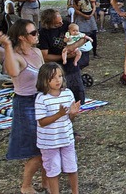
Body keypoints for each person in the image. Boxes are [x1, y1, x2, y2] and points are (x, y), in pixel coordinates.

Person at [0, 20, 48, 194]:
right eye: (33, 33)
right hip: (25, 104)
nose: (37, 34)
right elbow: (12, 72)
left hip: (42, 100)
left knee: (47, 145)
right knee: (37, 148)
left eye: (36, 31)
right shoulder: (16, 57)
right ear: (22, 37)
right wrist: (7, 47)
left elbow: (44, 78)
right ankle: (26, 186)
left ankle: (45, 182)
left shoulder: (36, 52)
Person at [34, 62, 81, 194]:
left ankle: (75, 191)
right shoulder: (41, 98)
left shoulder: (68, 93)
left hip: (66, 138)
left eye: (60, 76)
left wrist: (72, 114)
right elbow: (42, 122)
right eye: (53, 77)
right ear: (44, 80)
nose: (58, 80)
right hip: (49, 142)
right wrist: (59, 114)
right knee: (53, 170)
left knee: (72, 167)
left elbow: (70, 119)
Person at [38, 9, 88, 105]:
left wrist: (72, 47)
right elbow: (45, 56)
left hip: (72, 64)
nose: (61, 23)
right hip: (56, 67)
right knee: (61, 90)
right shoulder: (44, 33)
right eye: (57, 23)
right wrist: (64, 56)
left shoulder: (66, 24)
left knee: (77, 90)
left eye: (61, 20)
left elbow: (83, 38)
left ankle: (77, 104)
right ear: (50, 23)